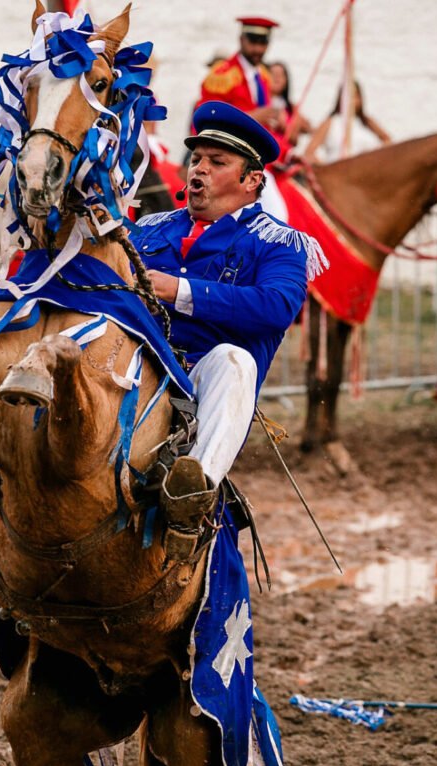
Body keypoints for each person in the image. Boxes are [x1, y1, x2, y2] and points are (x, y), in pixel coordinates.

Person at [131, 101, 323, 547]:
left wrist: (178, 291)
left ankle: (192, 496)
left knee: (234, 360)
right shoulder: (147, 229)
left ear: (252, 180)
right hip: (126, 370)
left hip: (200, 390)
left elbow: (276, 306)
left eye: (217, 162)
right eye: (195, 159)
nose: (198, 169)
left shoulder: (280, 242)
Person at [194, 17, 285, 136]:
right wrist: (250, 118)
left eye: (263, 43)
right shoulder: (221, 76)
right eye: (253, 42)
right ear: (241, 40)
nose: (257, 49)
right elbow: (208, 120)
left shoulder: (264, 76)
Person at [304, 80, 391, 162]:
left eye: (355, 96)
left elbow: (387, 141)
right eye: (348, 96)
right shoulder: (331, 122)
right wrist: (326, 167)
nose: (352, 100)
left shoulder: (367, 122)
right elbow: (309, 153)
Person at [267, 60, 312, 148]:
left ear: (286, 81)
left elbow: (296, 138)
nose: (276, 78)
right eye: (272, 74)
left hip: (282, 152)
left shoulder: (292, 108)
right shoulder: (258, 102)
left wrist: (287, 128)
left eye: (280, 75)